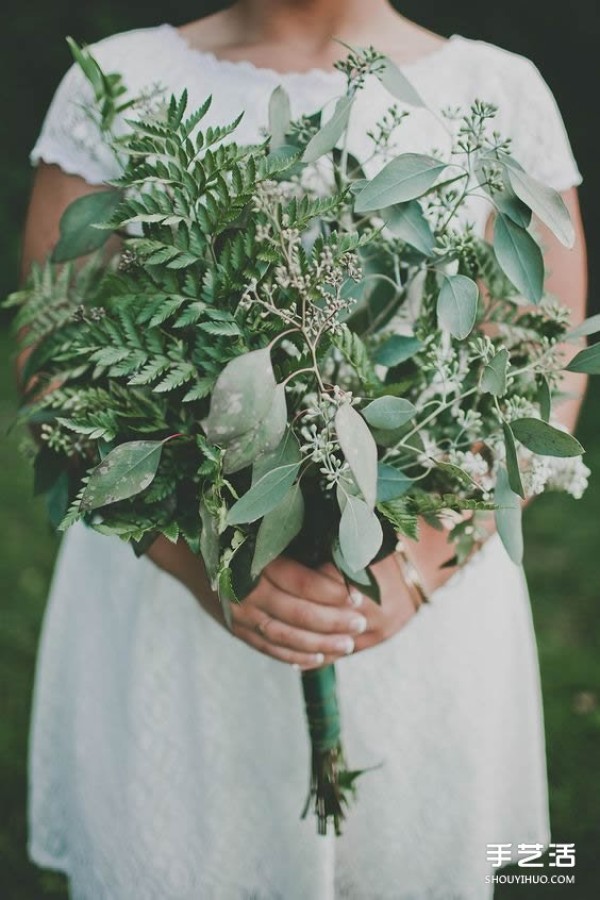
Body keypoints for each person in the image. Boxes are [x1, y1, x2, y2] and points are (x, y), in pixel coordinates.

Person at [21, 1, 588, 897]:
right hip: (179, 600)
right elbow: (54, 366)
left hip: (420, 590)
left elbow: (543, 359)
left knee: (437, 858)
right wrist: (203, 565)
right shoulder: (119, 81)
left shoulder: (499, 89)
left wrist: (426, 564)